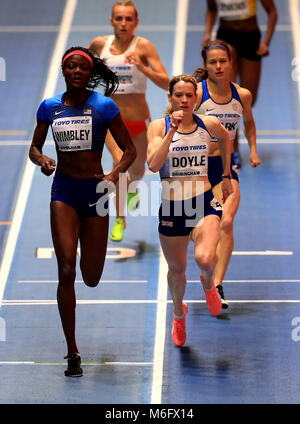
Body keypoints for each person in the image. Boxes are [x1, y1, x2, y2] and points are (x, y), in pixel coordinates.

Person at [29, 46, 136, 377]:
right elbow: (34, 147)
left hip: (96, 194)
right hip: (63, 192)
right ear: (64, 71)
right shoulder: (50, 108)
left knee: (91, 277)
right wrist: (43, 159)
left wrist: (114, 174)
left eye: (83, 68)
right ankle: (72, 351)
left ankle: (85, 284)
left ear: (90, 74)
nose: (77, 72)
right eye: (71, 67)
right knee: (66, 271)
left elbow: (130, 150)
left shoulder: (104, 106)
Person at [147, 74, 233, 347]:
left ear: (196, 98)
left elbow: (225, 139)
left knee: (206, 258)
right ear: (170, 98)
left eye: (189, 95)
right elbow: (152, 164)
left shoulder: (208, 124)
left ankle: (208, 285)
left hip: (204, 202)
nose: (184, 100)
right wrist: (171, 131)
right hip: (173, 208)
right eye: (178, 96)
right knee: (177, 270)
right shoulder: (158, 128)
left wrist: (227, 174)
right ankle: (179, 314)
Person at [88, 0, 169, 242]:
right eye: (119, 18)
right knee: (119, 166)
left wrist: (142, 67)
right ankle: (120, 219)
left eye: (128, 19)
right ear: (112, 20)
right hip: (111, 122)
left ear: (136, 22)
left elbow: (166, 82)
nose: (123, 23)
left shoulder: (143, 47)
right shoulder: (99, 44)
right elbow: (78, 66)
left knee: (138, 170)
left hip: (139, 121)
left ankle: (133, 188)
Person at [193, 39, 261, 308]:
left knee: (227, 221)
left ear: (231, 63)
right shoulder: (196, 94)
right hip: (196, 168)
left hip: (225, 168)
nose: (219, 66)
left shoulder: (242, 95)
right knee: (199, 230)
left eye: (223, 61)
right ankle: (205, 265)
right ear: (206, 66)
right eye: (213, 62)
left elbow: (249, 125)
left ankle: (217, 285)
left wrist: (253, 150)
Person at [203, 0, 277, 166]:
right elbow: (211, 9)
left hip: (250, 37)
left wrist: (266, 42)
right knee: (228, 99)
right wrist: (207, 34)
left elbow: (272, 12)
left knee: (248, 98)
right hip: (226, 37)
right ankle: (232, 152)